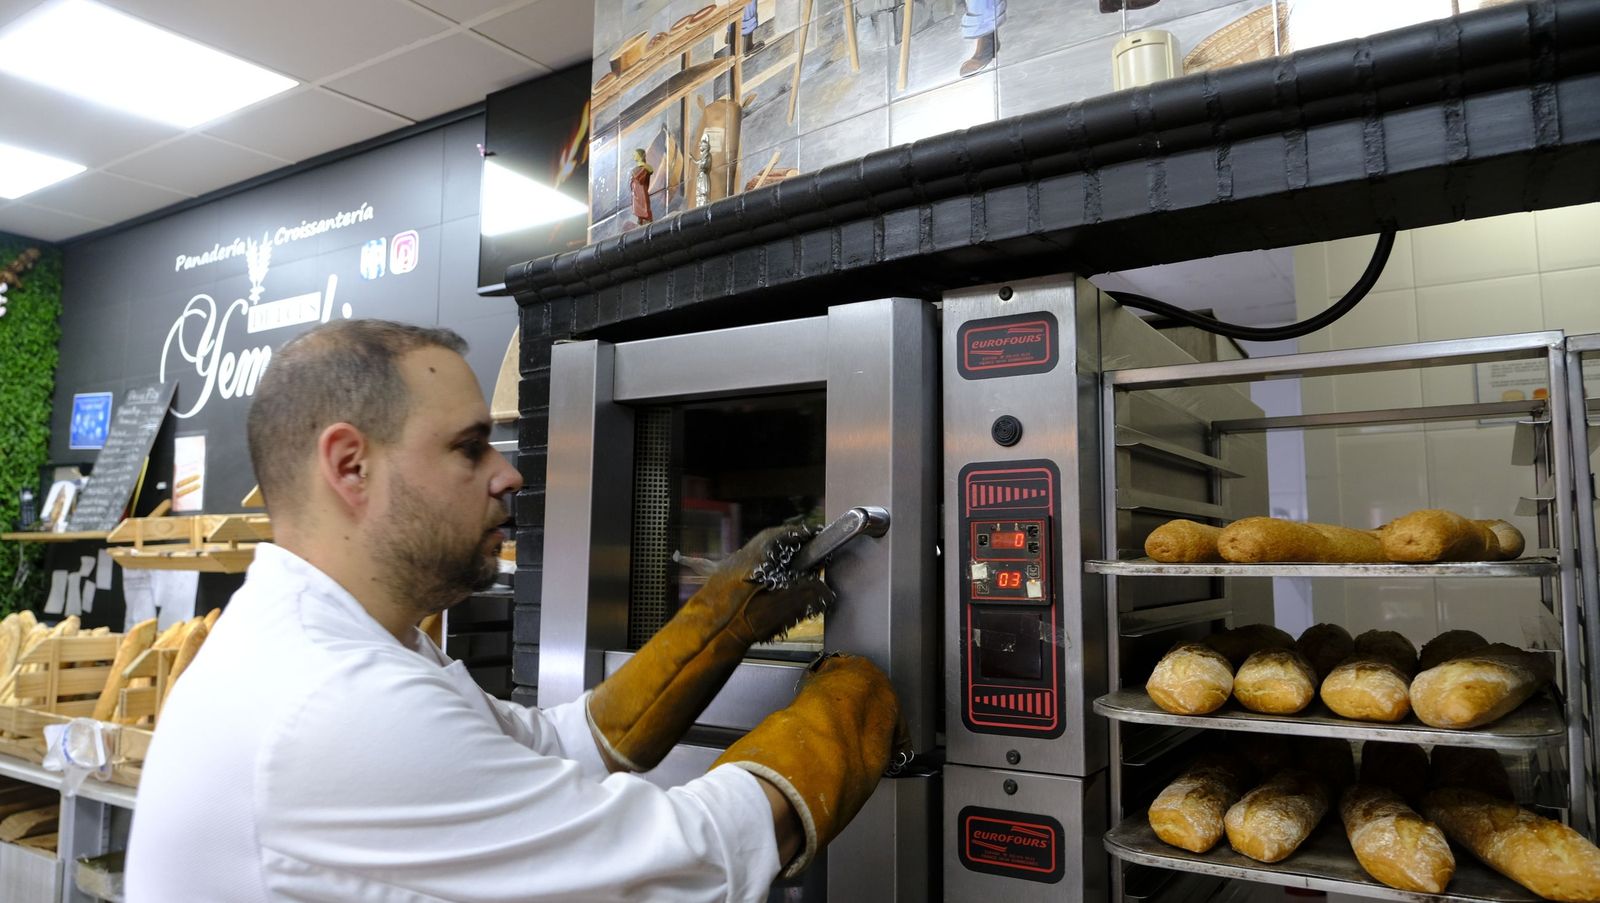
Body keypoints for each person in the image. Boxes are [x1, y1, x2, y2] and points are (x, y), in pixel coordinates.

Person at [125, 319, 905, 902]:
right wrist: (858, 694)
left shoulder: (347, 646)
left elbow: (555, 744)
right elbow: (679, 860)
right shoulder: (334, 703)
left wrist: (723, 618)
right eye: (470, 448)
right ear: (350, 465)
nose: (509, 474)